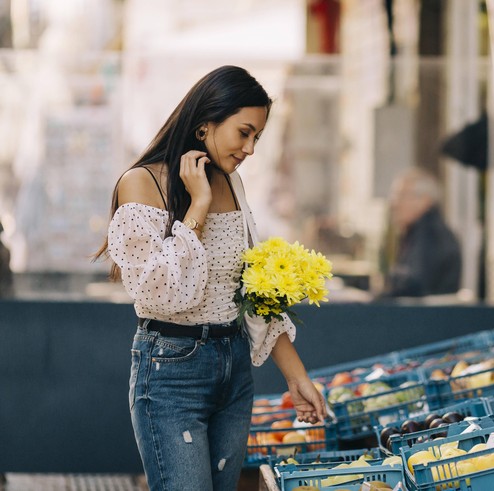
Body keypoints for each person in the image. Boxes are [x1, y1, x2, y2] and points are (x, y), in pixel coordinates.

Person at [94, 66, 326, 491]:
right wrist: (197, 204)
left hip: (233, 369)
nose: (250, 148)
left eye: (257, 137)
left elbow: (251, 292)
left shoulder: (234, 183)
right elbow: (161, 293)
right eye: (244, 132)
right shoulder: (141, 184)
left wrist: (297, 378)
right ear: (205, 126)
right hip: (170, 372)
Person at [381, 168, 461, 297]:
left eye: (402, 195)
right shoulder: (416, 232)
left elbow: (414, 288)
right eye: (394, 195)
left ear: (425, 200)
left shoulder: (431, 235)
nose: (394, 203)